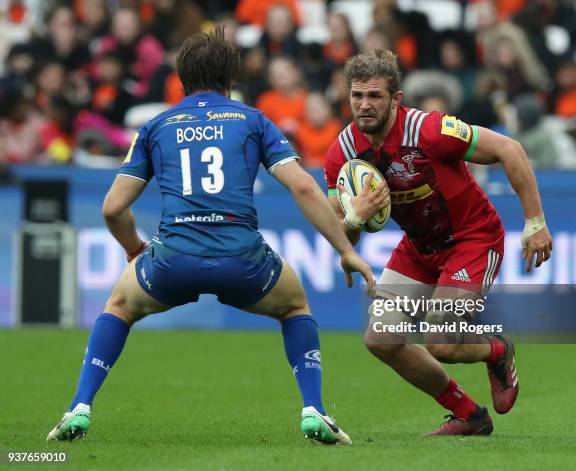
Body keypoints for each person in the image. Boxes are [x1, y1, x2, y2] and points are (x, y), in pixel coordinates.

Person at [47, 28, 374, 445]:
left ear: (180, 76)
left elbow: (112, 207)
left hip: (172, 259)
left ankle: (80, 406)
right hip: (243, 259)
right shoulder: (253, 120)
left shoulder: (157, 126)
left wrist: (134, 250)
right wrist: (345, 249)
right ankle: (314, 411)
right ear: (231, 77)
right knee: (294, 307)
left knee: (119, 306)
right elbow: (304, 188)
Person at [324, 50, 552, 436]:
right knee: (381, 339)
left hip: (472, 239)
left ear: (396, 99)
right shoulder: (342, 154)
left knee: (441, 341)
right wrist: (353, 218)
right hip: (419, 248)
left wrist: (535, 222)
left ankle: (497, 350)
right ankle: (470, 416)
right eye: (357, 96)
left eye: (375, 96)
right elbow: (341, 233)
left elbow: (509, 149)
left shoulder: (430, 130)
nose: (364, 105)